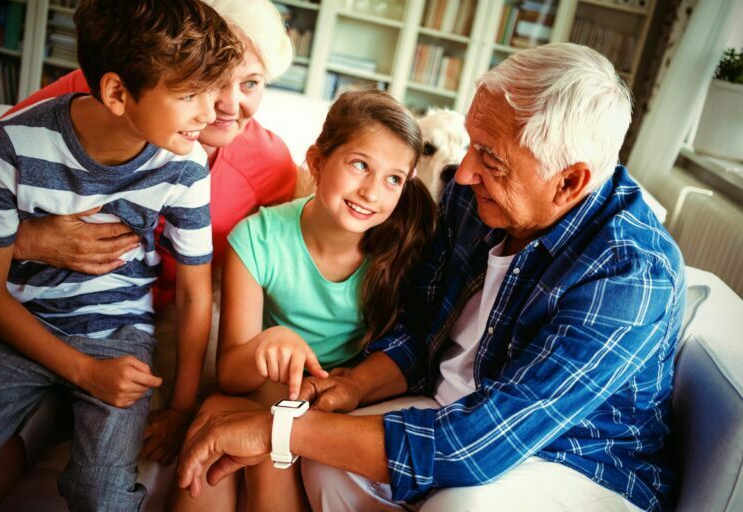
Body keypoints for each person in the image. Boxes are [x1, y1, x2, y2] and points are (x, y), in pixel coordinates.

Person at [176, 43, 686, 512]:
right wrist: (352, 385)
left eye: (489, 157)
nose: (462, 173)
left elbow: (480, 444)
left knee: (458, 508)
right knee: (326, 461)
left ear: (569, 180)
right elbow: (420, 330)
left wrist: (276, 428)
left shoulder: (630, 273)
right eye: (472, 144)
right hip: (455, 406)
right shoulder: (478, 199)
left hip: (573, 462)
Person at [0, 0, 297, 508]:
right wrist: (30, 240)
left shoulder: (245, 165)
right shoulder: (68, 111)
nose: (223, 105)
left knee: (99, 482)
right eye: (208, 84)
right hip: (28, 312)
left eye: (251, 83)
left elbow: (223, 288)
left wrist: (182, 405)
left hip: (128, 325)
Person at [171, 89, 436, 512]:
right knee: (216, 417)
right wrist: (266, 343)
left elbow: (403, 359)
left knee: (267, 452)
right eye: (360, 165)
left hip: (341, 402)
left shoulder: (404, 251)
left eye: (393, 178)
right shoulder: (256, 238)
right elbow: (230, 376)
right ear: (316, 161)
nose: (371, 192)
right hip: (267, 391)